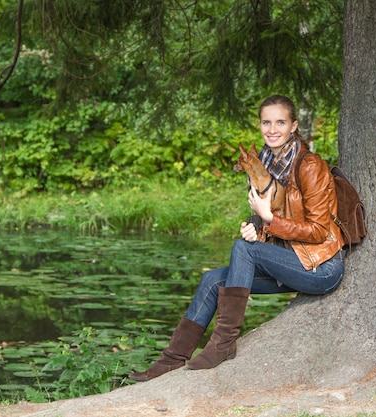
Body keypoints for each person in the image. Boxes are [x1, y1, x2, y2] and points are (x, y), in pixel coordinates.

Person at [129, 95, 345, 381]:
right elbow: (271, 216)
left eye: (280, 122)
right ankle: (172, 359)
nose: (272, 129)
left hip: (322, 268)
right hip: (290, 261)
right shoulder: (265, 164)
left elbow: (318, 230)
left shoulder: (309, 166)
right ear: (260, 125)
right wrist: (256, 225)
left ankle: (223, 343)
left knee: (245, 250)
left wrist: (268, 219)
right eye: (266, 122)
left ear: (293, 126)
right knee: (212, 280)